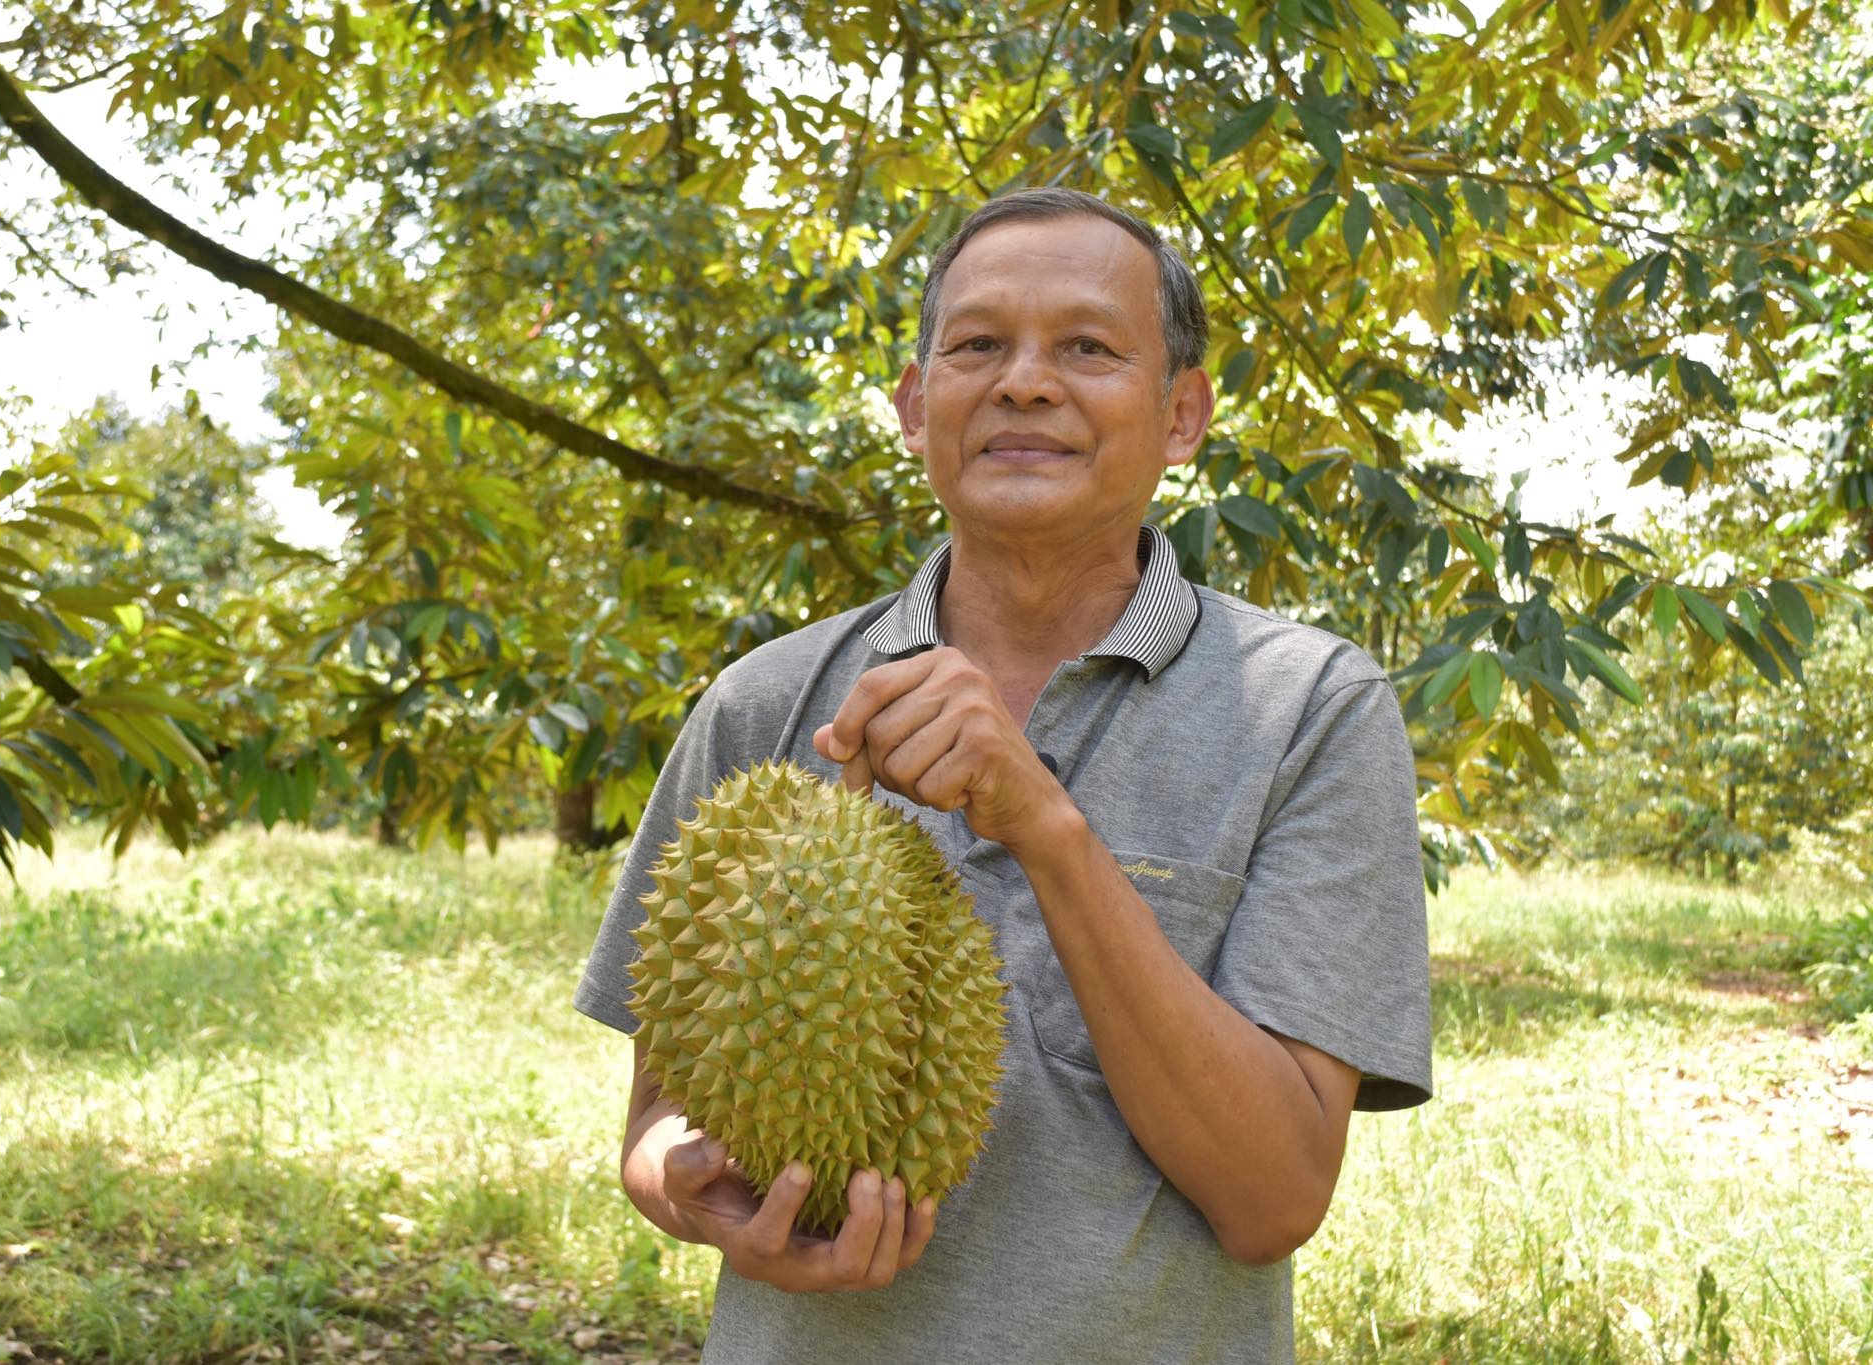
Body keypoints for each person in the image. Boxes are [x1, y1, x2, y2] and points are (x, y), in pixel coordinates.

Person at [572, 187, 1433, 1363]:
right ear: (917, 405)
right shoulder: (768, 703)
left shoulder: (1309, 710)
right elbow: (657, 1116)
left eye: (1085, 346)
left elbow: (1272, 1199)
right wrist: (684, 1189)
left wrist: (1044, 824)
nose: (1024, 382)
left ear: (1181, 415)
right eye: (977, 346)